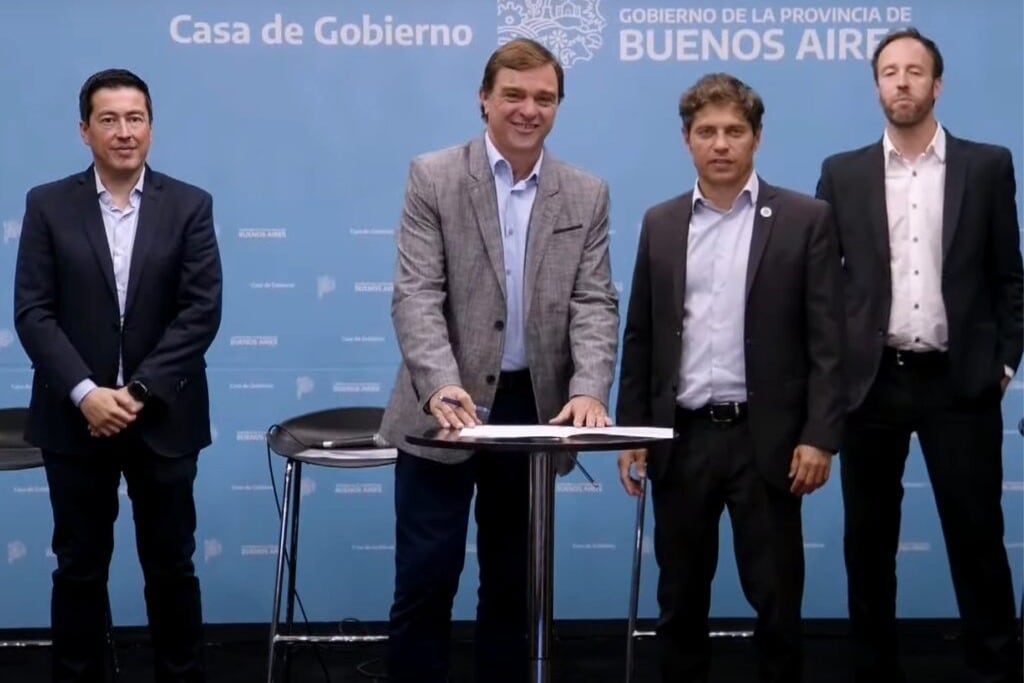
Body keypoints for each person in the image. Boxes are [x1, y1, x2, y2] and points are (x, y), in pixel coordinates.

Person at [377, 37, 619, 683]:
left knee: (513, 586)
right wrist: (439, 385)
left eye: (543, 97)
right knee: (426, 580)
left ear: (559, 106)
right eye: (513, 94)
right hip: (442, 409)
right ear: (484, 98)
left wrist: (591, 386)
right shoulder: (433, 176)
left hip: (532, 411)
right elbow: (416, 294)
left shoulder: (587, 193)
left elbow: (594, 302)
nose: (527, 108)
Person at [616, 73, 845, 683]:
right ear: (687, 140)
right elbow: (641, 335)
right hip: (681, 439)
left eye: (734, 132)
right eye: (707, 132)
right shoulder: (660, 224)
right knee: (680, 600)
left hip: (766, 441)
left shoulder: (805, 219)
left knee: (776, 601)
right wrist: (633, 430)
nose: (721, 144)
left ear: (757, 138)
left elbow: (829, 341)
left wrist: (821, 435)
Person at [816, 28, 1023, 683]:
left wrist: (1005, 362)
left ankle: (994, 670)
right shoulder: (842, 173)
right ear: (876, 85)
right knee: (867, 545)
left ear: (938, 84)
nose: (901, 82)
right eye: (889, 71)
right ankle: (873, 671)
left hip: (958, 383)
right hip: (870, 385)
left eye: (915, 71)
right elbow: (824, 287)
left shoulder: (986, 165)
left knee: (977, 539)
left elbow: (1008, 277)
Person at [14, 68, 222, 683]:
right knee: (79, 568)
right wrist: (86, 393)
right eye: (109, 119)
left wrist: (134, 393)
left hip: (164, 415)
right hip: (74, 419)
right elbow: (33, 311)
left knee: (172, 567)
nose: (124, 132)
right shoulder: (47, 204)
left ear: (151, 129)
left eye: (135, 119)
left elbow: (200, 311)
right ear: (85, 131)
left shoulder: (189, 205)